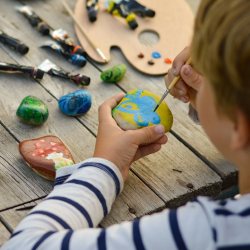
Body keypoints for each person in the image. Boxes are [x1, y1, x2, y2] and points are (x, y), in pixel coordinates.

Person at [2, 0, 250, 249]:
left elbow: (25, 244)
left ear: (238, 126)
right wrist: (215, 104)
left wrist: (105, 168)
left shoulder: (206, 233)